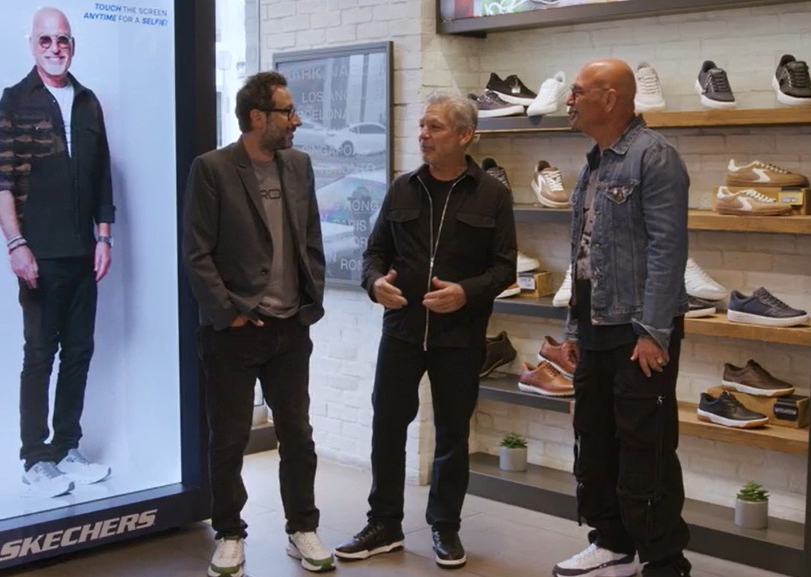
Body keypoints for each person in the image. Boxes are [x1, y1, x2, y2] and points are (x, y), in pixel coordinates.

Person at [334, 91, 517, 569]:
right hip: (401, 331)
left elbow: (504, 268)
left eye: (434, 127)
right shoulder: (402, 188)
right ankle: (384, 524)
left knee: (452, 434)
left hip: (460, 336)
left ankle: (445, 527)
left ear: (465, 135)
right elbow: (374, 253)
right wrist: (374, 283)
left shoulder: (493, 194)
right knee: (387, 426)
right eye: (421, 126)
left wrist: (465, 293)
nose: (423, 135)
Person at [184, 71, 334, 577]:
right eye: (287, 111)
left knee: (298, 435)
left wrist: (311, 295)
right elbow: (197, 253)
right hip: (235, 331)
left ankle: (302, 527)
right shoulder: (212, 169)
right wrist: (228, 313)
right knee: (229, 439)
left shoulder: (299, 165)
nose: (296, 120)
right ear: (257, 117)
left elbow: (310, 236)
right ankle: (229, 533)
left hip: (291, 327)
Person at [552, 59, 691, 577]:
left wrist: (654, 331)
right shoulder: (594, 163)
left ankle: (664, 561)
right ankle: (611, 541)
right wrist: (574, 327)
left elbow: (667, 251)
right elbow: (584, 253)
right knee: (595, 438)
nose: (569, 100)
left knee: (644, 445)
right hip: (595, 323)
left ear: (610, 98)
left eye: (577, 91)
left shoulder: (654, 157)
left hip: (637, 328)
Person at [0, 7, 113, 499]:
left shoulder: (87, 101)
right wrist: (16, 244)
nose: (55, 48)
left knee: (79, 351)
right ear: (32, 44)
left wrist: (104, 237)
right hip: (38, 255)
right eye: (46, 40)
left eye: (63, 40)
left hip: (84, 252)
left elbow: (102, 175)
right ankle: (35, 459)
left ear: (72, 45)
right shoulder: (15, 101)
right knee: (40, 355)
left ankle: (66, 448)